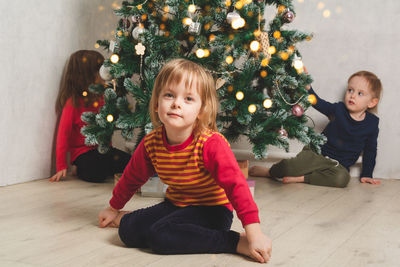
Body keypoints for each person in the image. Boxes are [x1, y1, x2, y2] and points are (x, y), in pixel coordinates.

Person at [98, 59, 272, 263]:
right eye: (169, 95)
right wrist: (113, 207)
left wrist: (254, 234)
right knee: (127, 231)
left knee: (160, 237)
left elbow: (237, 188)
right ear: (156, 103)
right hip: (175, 204)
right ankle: (155, 225)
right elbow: (131, 178)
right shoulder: (151, 143)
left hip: (212, 211)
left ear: (201, 110)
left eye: (188, 98)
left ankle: (233, 242)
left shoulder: (211, 144)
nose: (176, 103)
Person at [250, 70, 382, 187]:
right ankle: (270, 172)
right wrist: (308, 87)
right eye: (350, 90)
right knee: (289, 166)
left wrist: (367, 174)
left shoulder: (372, 124)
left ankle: (302, 178)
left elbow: (370, 150)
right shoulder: (338, 110)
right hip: (317, 154)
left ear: (372, 102)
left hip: (337, 166)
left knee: (342, 179)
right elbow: (317, 102)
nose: (352, 95)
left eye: (360, 93)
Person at [50, 50, 131, 183]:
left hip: (103, 151)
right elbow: (62, 136)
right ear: (87, 76)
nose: (103, 74)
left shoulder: (102, 97)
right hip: (82, 153)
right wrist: (61, 166)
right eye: (99, 71)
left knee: (130, 162)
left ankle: (104, 168)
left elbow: (106, 128)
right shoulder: (73, 103)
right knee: (96, 174)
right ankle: (80, 168)